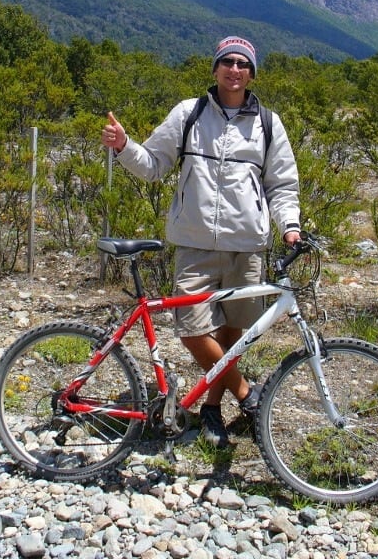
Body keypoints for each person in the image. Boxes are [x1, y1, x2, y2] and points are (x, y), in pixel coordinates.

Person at [101, 35, 301, 447]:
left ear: (251, 73)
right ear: (215, 68)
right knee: (193, 331)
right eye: (227, 61)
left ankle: (212, 408)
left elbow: (282, 185)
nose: (234, 69)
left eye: (242, 63)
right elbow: (153, 165)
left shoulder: (267, 122)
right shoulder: (189, 114)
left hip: (247, 245)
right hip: (194, 243)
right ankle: (248, 397)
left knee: (233, 333)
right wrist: (124, 147)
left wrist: (290, 226)